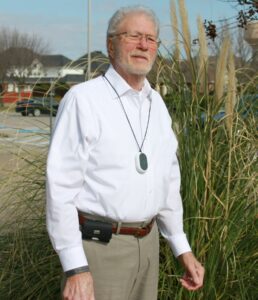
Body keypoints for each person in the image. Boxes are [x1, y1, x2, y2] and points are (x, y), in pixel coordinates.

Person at [46, 5, 204, 300]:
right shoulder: (84, 100)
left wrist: (182, 249)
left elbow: (168, 183)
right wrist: (76, 268)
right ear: (110, 44)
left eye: (151, 38)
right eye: (133, 36)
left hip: (148, 247)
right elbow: (61, 189)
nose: (144, 45)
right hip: (100, 251)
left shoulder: (157, 104)